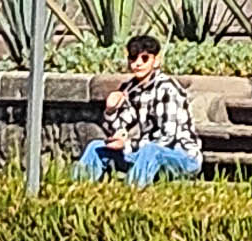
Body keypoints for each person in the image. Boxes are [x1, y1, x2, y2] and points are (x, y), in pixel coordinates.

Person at [72, 33, 203, 186]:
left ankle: (133, 194)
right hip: (144, 153)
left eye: (145, 58)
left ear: (156, 61)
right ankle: (77, 189)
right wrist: (111, 111)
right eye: (133, 58)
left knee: (151, 151)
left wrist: (128, 145)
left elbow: (168, 138)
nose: (138, 63)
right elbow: (118, 129)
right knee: (96, 147)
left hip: (182, 156)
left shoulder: (167, 89)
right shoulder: (130, 89)